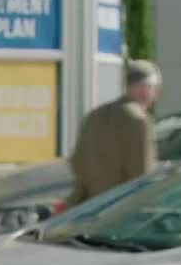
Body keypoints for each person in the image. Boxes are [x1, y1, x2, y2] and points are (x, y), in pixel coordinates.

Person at [67, 59, 161, 206]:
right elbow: (144, 174)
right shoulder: (139, 121)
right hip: (123, 209)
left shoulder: (94, 116)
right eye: (151, 87)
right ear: (149, 90)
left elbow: (77, 163)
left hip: (90, 207)